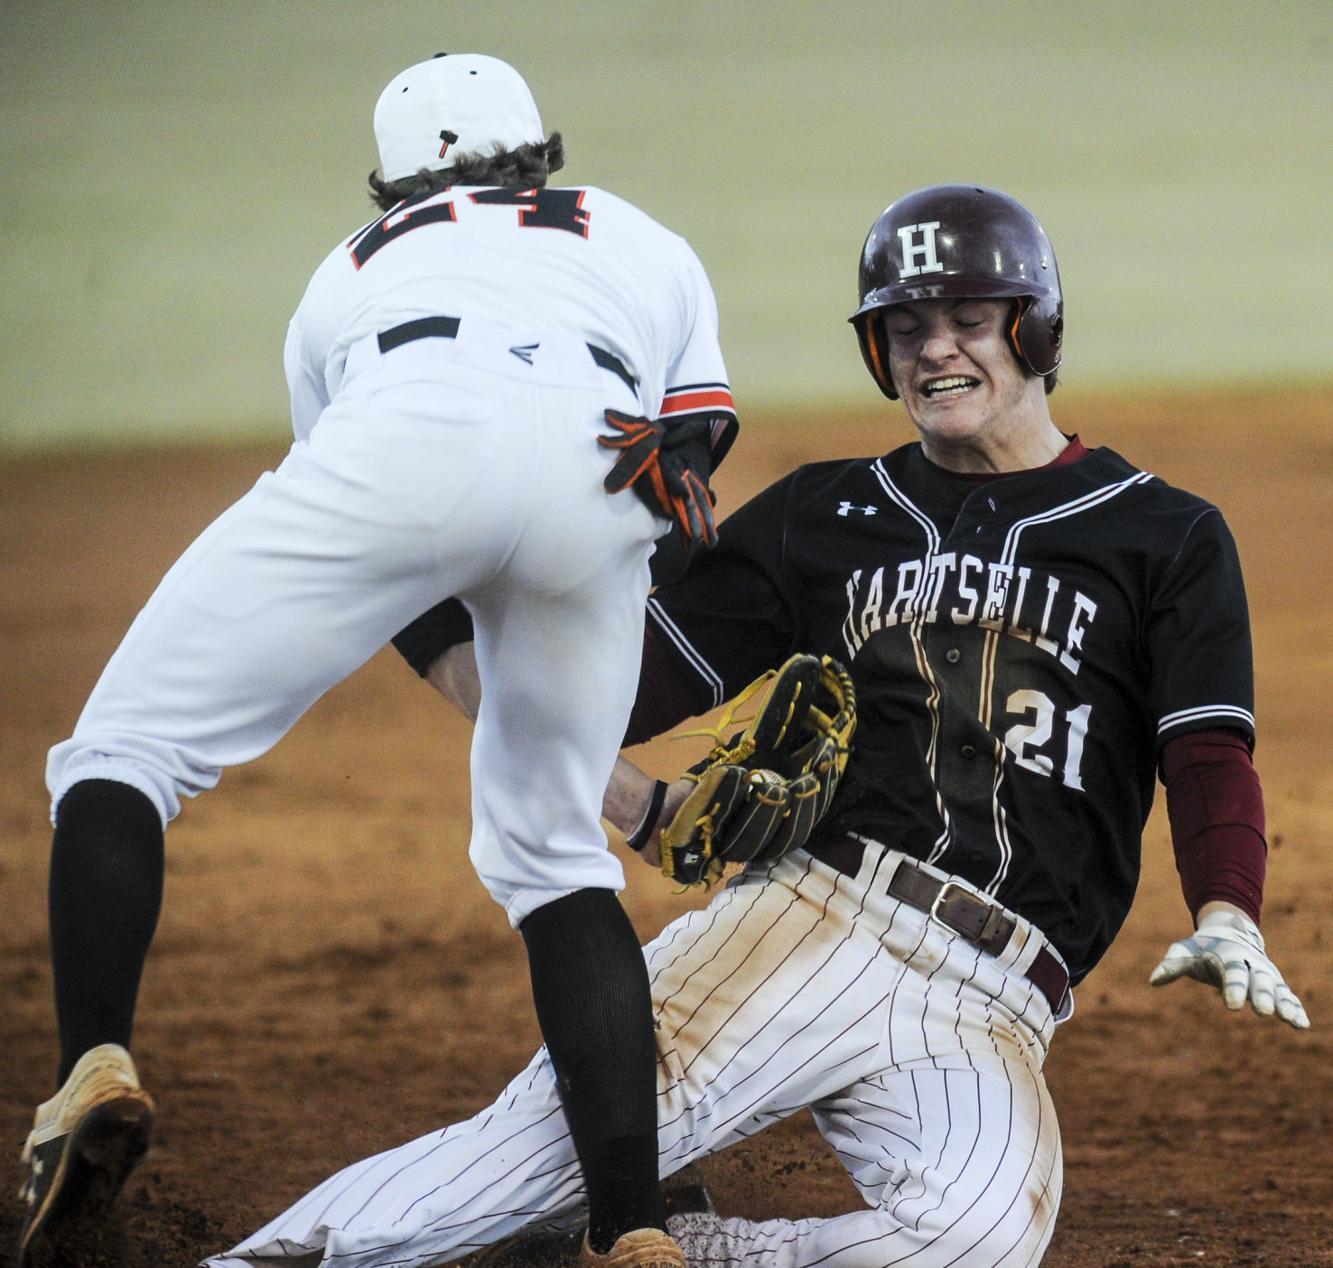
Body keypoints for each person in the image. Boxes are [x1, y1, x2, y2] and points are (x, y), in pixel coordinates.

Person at [202, 183, 1308, 1268]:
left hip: (998, 1001)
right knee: (522, 1159)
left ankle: (662, 1251)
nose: (935, 351)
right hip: (814, 921)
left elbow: (1206, 747)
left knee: (973, 1239)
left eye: (968, 320)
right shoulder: (825, 515)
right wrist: (442, 618)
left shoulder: (1162, 535)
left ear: (1035, 328)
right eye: (904, 328)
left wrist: (1228, 911)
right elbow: (602, 693)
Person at [18, 51, 742, 1268]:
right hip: (601, 467)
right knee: (556, 855)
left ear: (391, 184)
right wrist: (666, 486)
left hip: (402, 433)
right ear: (541, 155)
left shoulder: (344, 270)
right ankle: (633, 1226)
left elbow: (405, 561)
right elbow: (700, 425)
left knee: (125, 751)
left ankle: (87, 1069)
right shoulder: (636, 232)